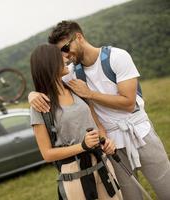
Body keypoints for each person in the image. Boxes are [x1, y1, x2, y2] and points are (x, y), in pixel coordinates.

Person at [28, 20, 170, 200]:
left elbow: (128, 103)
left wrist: (90, 94)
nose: (65, 56)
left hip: (140, 133)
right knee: (130, 196)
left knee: (166, 188)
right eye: (59, 53)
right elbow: (47, 78)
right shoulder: (70, 73)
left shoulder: (117, 57)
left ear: (78, 37)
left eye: (65, 48)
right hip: (111, 144)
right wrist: (32, 95)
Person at [30, 44, 122, 199]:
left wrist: (106, 141)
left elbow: (97, 125)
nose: (66, 57)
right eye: (60, 56)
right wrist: (82, 146)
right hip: (75, 175)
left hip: (102, 163)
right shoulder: (40, 104)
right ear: (50, 63)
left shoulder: (77, 88)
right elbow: (47, 154)